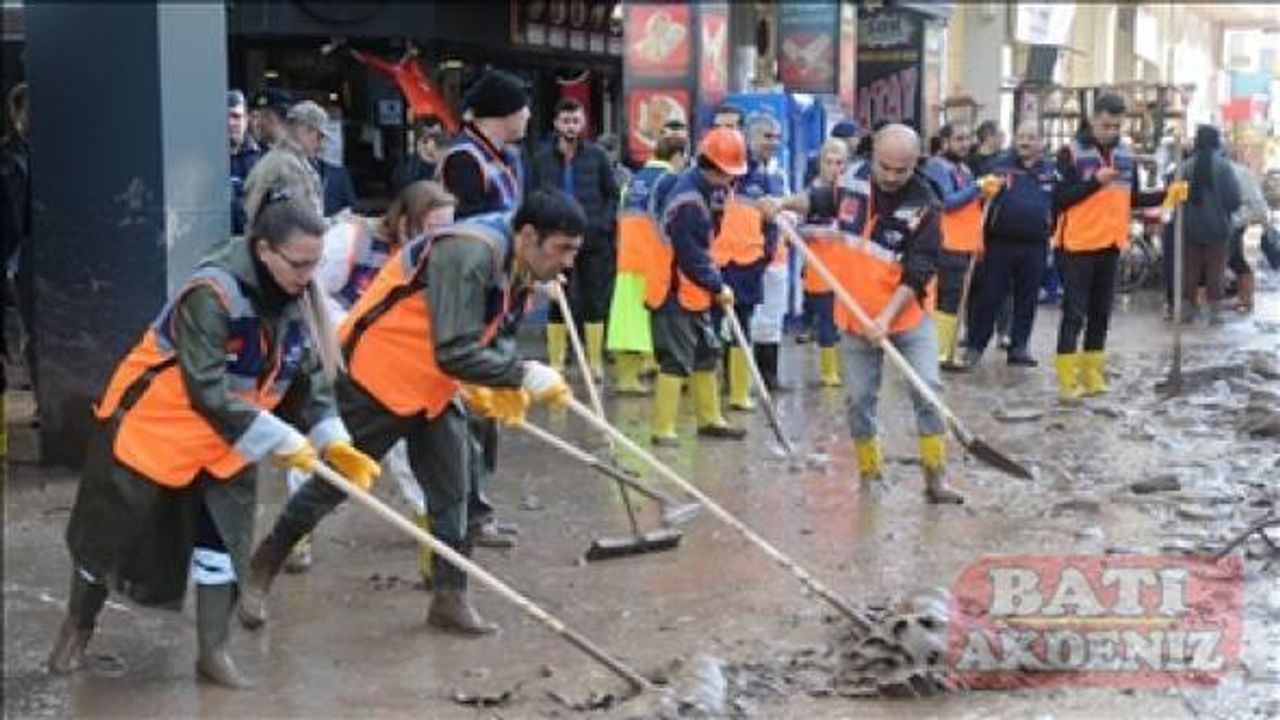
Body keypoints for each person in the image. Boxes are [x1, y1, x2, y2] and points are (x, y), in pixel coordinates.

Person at [46, 195, 380, 688]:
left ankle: (213, 652)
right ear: (264, 250)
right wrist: (282, 438)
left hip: (234, 436)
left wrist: (332, 436)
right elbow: (205, 388)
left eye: (315, 263)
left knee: (223, 542)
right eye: (299, 264)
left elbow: (309, 375)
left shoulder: (297, 295)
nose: (309, 276)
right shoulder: (211, 294)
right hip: (160, 427)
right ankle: (76, 629)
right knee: (107, 537)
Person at [240, 190, 584, 637]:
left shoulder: (519, 262)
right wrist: (521, 374)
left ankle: (449, 599)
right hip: (377, 377)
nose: (568, 262)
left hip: (433, 387)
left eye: (574, 251)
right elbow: (454, 350)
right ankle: (262, 568)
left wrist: (495, 380)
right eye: (563, 249)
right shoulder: (470, 253)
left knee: (454, 491)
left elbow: (492, 331)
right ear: (530, 235)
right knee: (336, 482)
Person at [768, 124, 962, 504]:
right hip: (854, 316)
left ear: (915, 164)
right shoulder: (853, 178)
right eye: (884, 167)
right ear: (873, 157)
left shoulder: (925, 204)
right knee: (858, 399)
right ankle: (870, 474)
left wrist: (886, 319)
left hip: (906, 316)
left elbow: (919, 271)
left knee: (928, 391)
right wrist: (783, 203)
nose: (890, 176)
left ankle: (935, 478)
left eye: (901, 170)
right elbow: (821, 200)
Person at [282, 181, 458, 577]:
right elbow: (309, 291)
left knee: (411, 452)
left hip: (398, 370)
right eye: (433, 228)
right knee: (325, 442)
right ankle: (296, 532)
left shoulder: (443, 261)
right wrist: (347, 329)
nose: (443, 238)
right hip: (338, 358)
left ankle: (432, 548)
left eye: (449, 228)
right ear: (406, 222)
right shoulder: (351, 242)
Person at [437, 68, 530, 549]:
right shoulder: (463, 160)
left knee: (489, 413)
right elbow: (468, 234)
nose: (528, 116)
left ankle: (481, 508)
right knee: (470, 412)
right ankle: (467, 515)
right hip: (471, 302)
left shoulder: (508, 157)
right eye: (521, 107)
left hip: (505, 296)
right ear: (502, 113)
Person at [1052, 93, 1187, 400]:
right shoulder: (1070, 153)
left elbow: (1132, 198)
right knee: (1074, 314)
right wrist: (1095, 182)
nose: (1111, 131)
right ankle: (1067, 380)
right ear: (1093, 119)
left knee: (1101, 314)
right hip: (1077, 245)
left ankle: (1092, 374)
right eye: (1106, 125)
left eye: (1116, 126)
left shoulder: (1125, 156)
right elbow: (1060, 198)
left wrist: (1167, 194)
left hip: (1111, 244)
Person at [648, 127, 755, 445]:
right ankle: (663, 428)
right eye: (730, 174)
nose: (733, 180)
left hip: (695, 290)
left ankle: (710, 419)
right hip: (673, 288)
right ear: (715, 168)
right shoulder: (688, 202)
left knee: (707, 351)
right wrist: (717, 285)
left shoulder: (710, 190)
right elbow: (691, 255)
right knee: (676, 358)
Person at [529, 98, 619, 380]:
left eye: (576, 121)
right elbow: (531, 197)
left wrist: (602, 225)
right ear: (556, 124)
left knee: (595, 300)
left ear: (584, 124)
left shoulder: (597, 156)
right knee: (557, 299)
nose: (571, 126)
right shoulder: (541, 159)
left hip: (593, 240)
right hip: (555, 241)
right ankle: (557, 362)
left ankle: (594, 362)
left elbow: (612, 195)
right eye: (566, 121)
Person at [963, 120, 1053, 367]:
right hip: (1000, 242)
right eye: (1021, 137)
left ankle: (1019, 347)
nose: (1025, 142)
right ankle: (975, 346)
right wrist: (986, 191)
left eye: (1031, 138)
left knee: (1027, 298)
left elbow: (1059, 201)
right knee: (989, 296)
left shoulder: (1050, 170)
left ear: (1041, 142)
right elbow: (978, 197)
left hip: (1035, 243)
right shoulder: (999, 166)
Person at [608, 134, 687, 395]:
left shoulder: (633, 182)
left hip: (627, 258)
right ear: (677, 156)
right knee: (656, 320)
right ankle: (664, 373)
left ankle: (626, 378)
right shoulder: (670, 180)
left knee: (626, 321)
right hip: (654, 260)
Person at [716, 113, 786, 410]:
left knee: (741, 326)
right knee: (717, 324)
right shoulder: (727, 170)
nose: (774, 143)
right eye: (768, 136)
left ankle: (738, 390)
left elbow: (771, 226)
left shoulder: (766, 176)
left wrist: (762, 257)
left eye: (777, 137)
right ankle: (719, 386)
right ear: (750, 137)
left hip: (747, 264)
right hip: (719, 261)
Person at [924, 123, 1001, 363]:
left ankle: (946, 349)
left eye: (967, 139)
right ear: (945, 141)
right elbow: (947, 202)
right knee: (947, 298)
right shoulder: (937, 167)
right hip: (947, 241)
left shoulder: (964, 168)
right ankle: (939, 351)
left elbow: (968, 202)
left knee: (957, 298)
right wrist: (977, 187)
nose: (965, 144)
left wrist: (984, 193)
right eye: (959, 139)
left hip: (966, 243)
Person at [798, 139, 850, 387]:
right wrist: (820, 232)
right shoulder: (810, 194)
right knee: (827, 321)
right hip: (821, 270)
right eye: (829, 163)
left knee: (844, 322)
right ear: (821, 164)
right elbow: (796, 229)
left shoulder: (850, 192)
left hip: (847, 270)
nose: (835, 168)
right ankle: (829, 371)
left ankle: (843, 367)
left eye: (839, 163)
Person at [242, 100, 331, 227]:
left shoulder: (279, 158)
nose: (321, 145)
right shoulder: (288, 165)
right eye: (319, 136)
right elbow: (303, 223)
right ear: (305, 130)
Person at [2, 82, 34, 405]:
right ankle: (41, 398)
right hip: (20, 251)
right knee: (31, 327)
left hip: (43, 246)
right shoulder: (7, 156)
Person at [1228, 152, 1269, 313]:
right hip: (1239, 219)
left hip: (1235, 219)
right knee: (1235, 258)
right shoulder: (1241, 171)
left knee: (1231, 257)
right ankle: (1245, 299)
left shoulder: (1231, 171)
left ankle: (1245, 299)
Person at [228, 90, 262, 236]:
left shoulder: (262, 158)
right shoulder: (205, 159)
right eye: (225, 116)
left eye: (236, 116)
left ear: (246, 120)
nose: (230, 122)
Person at [392, 116, 446, 193]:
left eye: (439, 137)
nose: (434, 142)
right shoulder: (408, 168)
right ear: (419, 142)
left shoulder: (448, 162)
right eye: (428, 138)